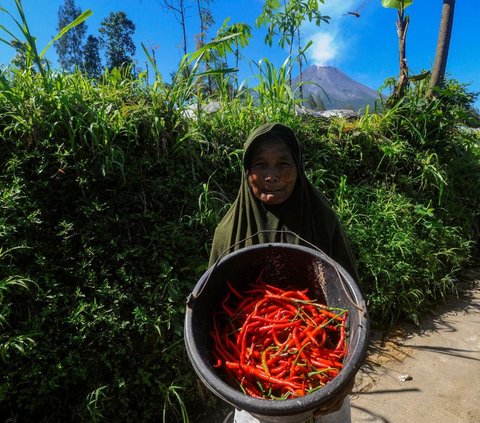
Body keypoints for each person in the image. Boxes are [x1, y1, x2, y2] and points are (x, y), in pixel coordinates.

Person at [209, 122, 359, 423]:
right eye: (260, 165)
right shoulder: (229, 232)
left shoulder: (321, 219)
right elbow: (214, 315)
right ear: (246, 171)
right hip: (255, 391)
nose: (271, 176)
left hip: (325, 379)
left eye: (283, 164)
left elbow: (352, 300)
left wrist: (347, 376)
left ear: (298, 167)